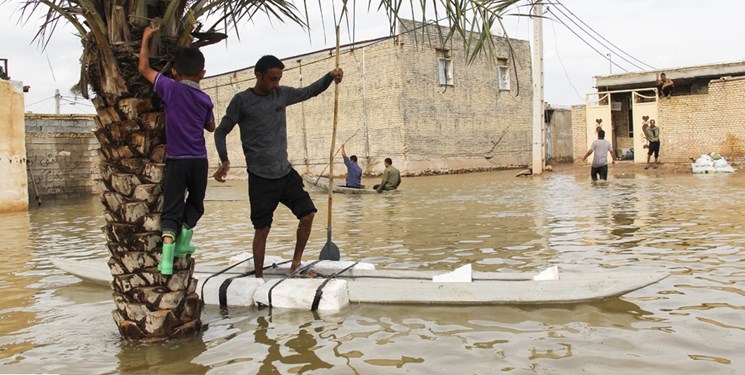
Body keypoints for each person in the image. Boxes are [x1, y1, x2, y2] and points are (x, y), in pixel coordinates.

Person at [212, 55, 343, 277]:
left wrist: (330, 77)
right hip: (260, 177)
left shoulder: (281, 95)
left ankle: (296, 263)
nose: (276, 84)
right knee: (262, 229)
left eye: (279, 79)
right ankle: (258, 277)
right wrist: (224, 160)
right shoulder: (241, 101)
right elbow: (220, 130)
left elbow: (310, 91)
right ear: (258, 76)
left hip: (284, 172)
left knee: (308, 214)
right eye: (272, 79)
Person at [138, 26, 216, 275]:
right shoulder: (205, 100)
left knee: (172, 206)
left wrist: (146, 38)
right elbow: (212, 127)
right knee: (196, 203)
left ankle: (167, 259)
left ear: (174, 71)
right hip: (199, 161)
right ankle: (184, 241)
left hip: (176, 160)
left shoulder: (170, 88)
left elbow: (143, 69)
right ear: (202, 74)